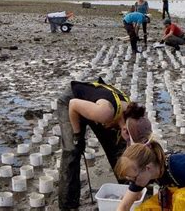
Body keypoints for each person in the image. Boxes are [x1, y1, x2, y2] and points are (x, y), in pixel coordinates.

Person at [58, 78, 153, 210]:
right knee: (72, 151)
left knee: (119, 150)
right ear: (125, 129)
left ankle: (132, 192)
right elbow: (73, 104)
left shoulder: (133, 114)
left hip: (98, 103)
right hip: (72, 102)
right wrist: (77, 135)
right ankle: (68, 205)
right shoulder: (106, 113)